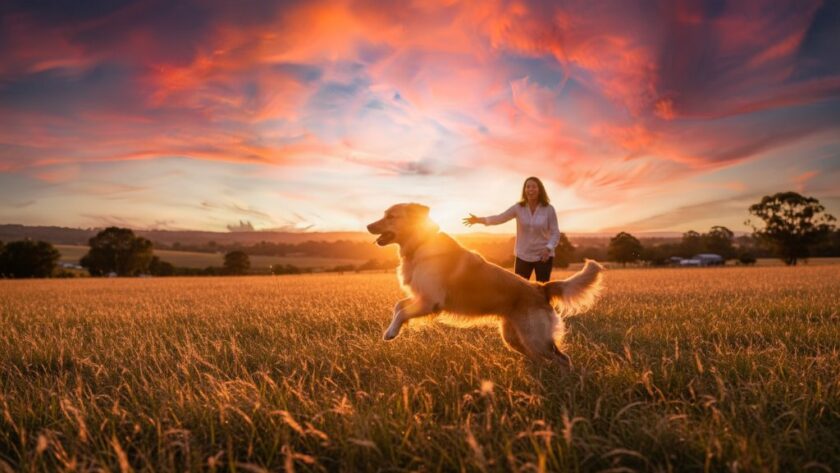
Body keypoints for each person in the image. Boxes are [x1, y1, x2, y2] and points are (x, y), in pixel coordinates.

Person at [462, 176, 561, 282]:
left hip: (543, 256)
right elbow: (500, 218)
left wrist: (548, 248)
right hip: (523, 255)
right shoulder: (518, 208)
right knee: (520, 290)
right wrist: (479, 220)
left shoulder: (548, 209)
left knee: (544, 291)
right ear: (524, 190)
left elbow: (555, 232)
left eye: (534, 187)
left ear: (540, 189)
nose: (530, 190)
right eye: (528, 187)